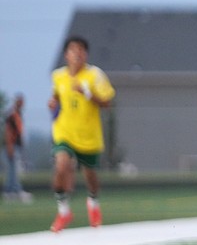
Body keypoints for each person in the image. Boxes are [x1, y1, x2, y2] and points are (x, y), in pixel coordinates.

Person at [48, 36, 116, 232]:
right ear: (66, 54)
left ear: (86, 54)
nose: (77, 54)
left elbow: (107, 103)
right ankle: (63, 210)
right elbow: (56, 96)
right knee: (61, 165)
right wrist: (53, 103)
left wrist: (87, 92)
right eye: (72, 50)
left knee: (90, 175)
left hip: (88, 134)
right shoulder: (58, 75)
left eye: (81, 50)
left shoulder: (94, 75)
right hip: (65, 131)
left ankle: (93, 204)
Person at [4, 94, 32, 202]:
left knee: (12, 169)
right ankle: (15, 191)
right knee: (14, 169)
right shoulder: (12, 114)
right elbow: (8, 131)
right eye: (21, 101)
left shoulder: (18, 113)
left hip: (16, 145)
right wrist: (9, 146)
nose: (22, 103)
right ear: (17, 102)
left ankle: (10, 191)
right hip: (12, 145)